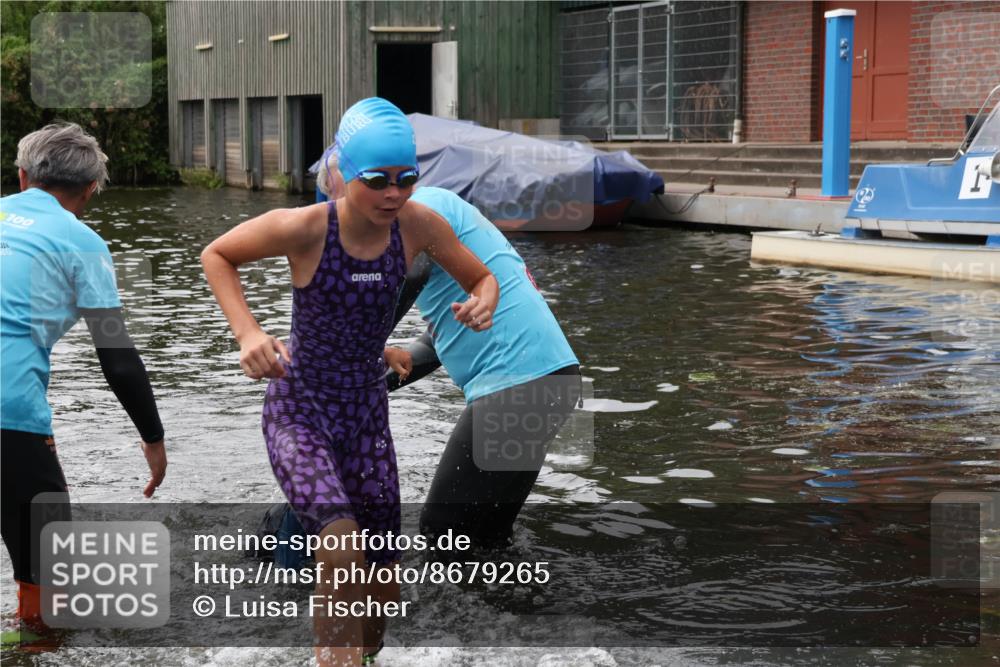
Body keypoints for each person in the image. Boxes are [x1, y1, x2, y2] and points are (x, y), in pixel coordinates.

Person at [201, 98, 498, 666]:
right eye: (377, 181)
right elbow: (217, 255)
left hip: (365, 416)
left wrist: (481, 303)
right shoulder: (307, 227)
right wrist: (248, 334)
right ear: (345, 174)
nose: (394, 194)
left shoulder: (418, 226)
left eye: (406, 179)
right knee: (340, 546)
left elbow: (481, 277)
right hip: (300, 410)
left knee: (383, 581)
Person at [317, 156, 582, 549]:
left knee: (445, 532)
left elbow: (412, 274)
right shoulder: (433, 224)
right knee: (483, 538)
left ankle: (477, 608)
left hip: (519, 385)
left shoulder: (426, 210)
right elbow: (435, 341)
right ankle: (517, 606)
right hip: (544, 383)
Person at [0, 123, 167, 632]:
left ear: (23, 175)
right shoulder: (85, 244)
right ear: (91, 189)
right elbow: (117, 357)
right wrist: (153, 440)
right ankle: (37, 648)